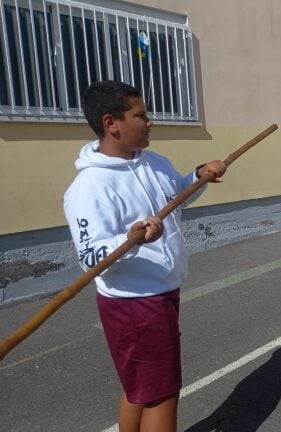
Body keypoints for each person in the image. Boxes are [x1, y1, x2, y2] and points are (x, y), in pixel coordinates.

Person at [63, 80, 226, 432]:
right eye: (141, 115)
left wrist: (198, 176)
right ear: (112, 123)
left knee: (140, 390)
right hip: (134, 305)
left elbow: (175, 197)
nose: (150, 122)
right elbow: (91, 257)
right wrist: (131, 238)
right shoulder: (90, 187)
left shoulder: (154, 162)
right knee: (161, 395)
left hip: (162, 291)